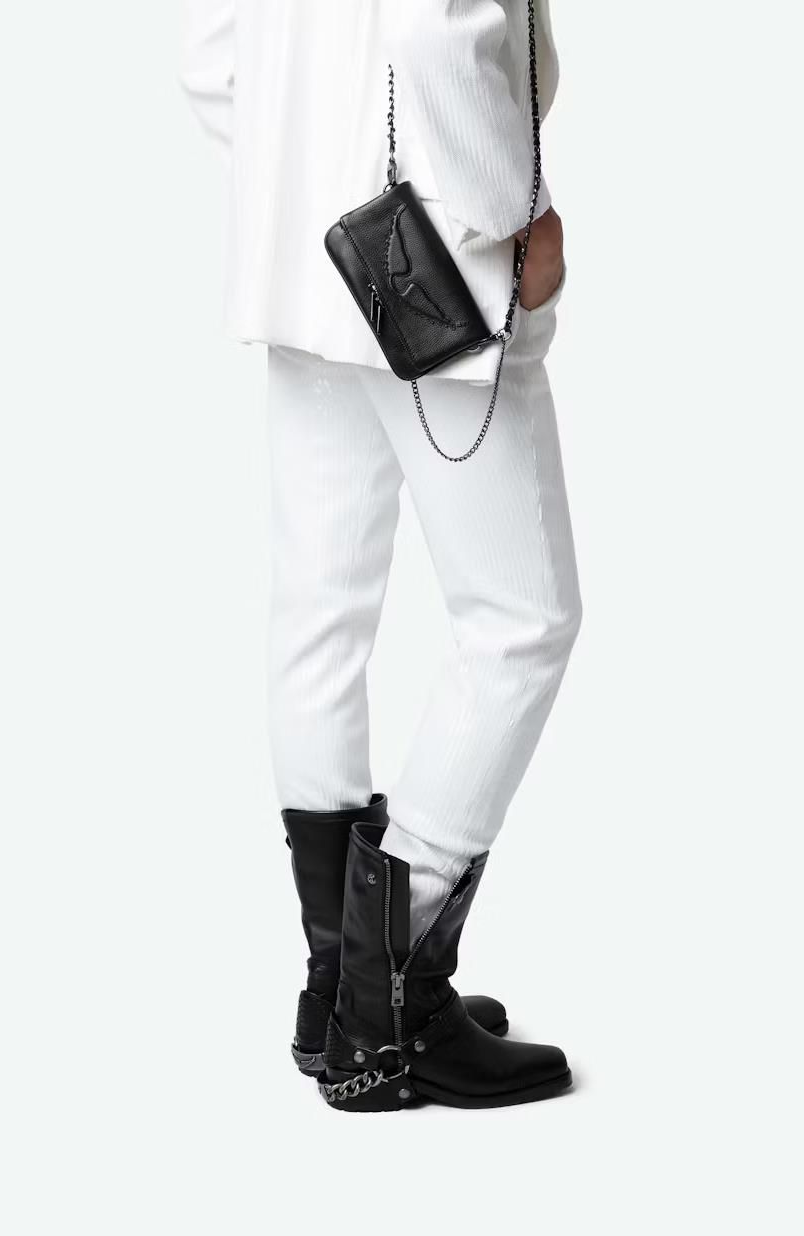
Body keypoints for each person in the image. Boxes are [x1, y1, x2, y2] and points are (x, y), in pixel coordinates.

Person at [181, 0, 581, 1111]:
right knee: (522, 621)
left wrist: (300, 169)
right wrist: (513, 222)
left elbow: (209, 58)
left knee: (320, 613)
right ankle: (389, 1005)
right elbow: (438, 29)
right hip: (427, 268)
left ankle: (341, 984)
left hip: (305, 254)